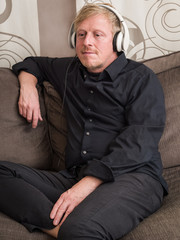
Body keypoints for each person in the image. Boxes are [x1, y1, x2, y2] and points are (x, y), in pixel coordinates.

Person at [0, 3, 168, 240]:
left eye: (97, 35)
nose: (87, 41)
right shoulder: (69, 70)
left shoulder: (141, 79)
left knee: (80, 230)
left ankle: (75, 227)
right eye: (81, 34)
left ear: (118, 41)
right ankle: (61, 226)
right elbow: (33, 63)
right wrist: (27, 86)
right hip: (74, 177)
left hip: (134, 177)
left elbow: (138, 145)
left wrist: (83, 188)